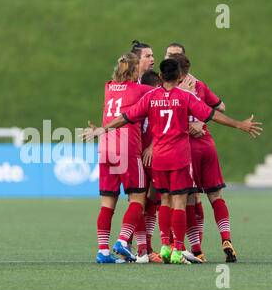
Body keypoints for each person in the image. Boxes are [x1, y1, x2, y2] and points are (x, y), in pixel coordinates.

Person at [80, 58, 262, 264]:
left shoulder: (150, 97)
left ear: (160, 76)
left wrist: (101, 130)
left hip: (157, 157)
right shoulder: (185, 96)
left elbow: (125, 117)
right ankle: (179, 250)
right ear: (178, 78)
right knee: (180, 203)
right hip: (179, 157)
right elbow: (212, 115)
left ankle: (164, 246)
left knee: (164, 200)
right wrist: (240, 125)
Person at [168, 52, 237, 262]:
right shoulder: (199, 84)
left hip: (185, 148)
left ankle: (196, 249)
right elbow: (221, 107)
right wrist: (202, 120)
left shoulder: (168, 89)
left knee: (188, 198)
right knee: (216, 195)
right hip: (207, 145)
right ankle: (226, 239)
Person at [95, 52, 153, 263]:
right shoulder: (140, 90)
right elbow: (165, 93)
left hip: (105, 148)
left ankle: (103, 251)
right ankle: (122, 240)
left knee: (107, 203)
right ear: (136, 70)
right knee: (138, 199)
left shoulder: (108, 86)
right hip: (127, 148)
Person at [139, 70, 163, 263]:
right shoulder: (154, 99)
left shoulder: (138, 96)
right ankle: (166, 247)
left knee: (144, 200)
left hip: (137, 154)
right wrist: (152, 145)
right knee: (159, 199)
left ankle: (144, 247)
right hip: (152, 156)